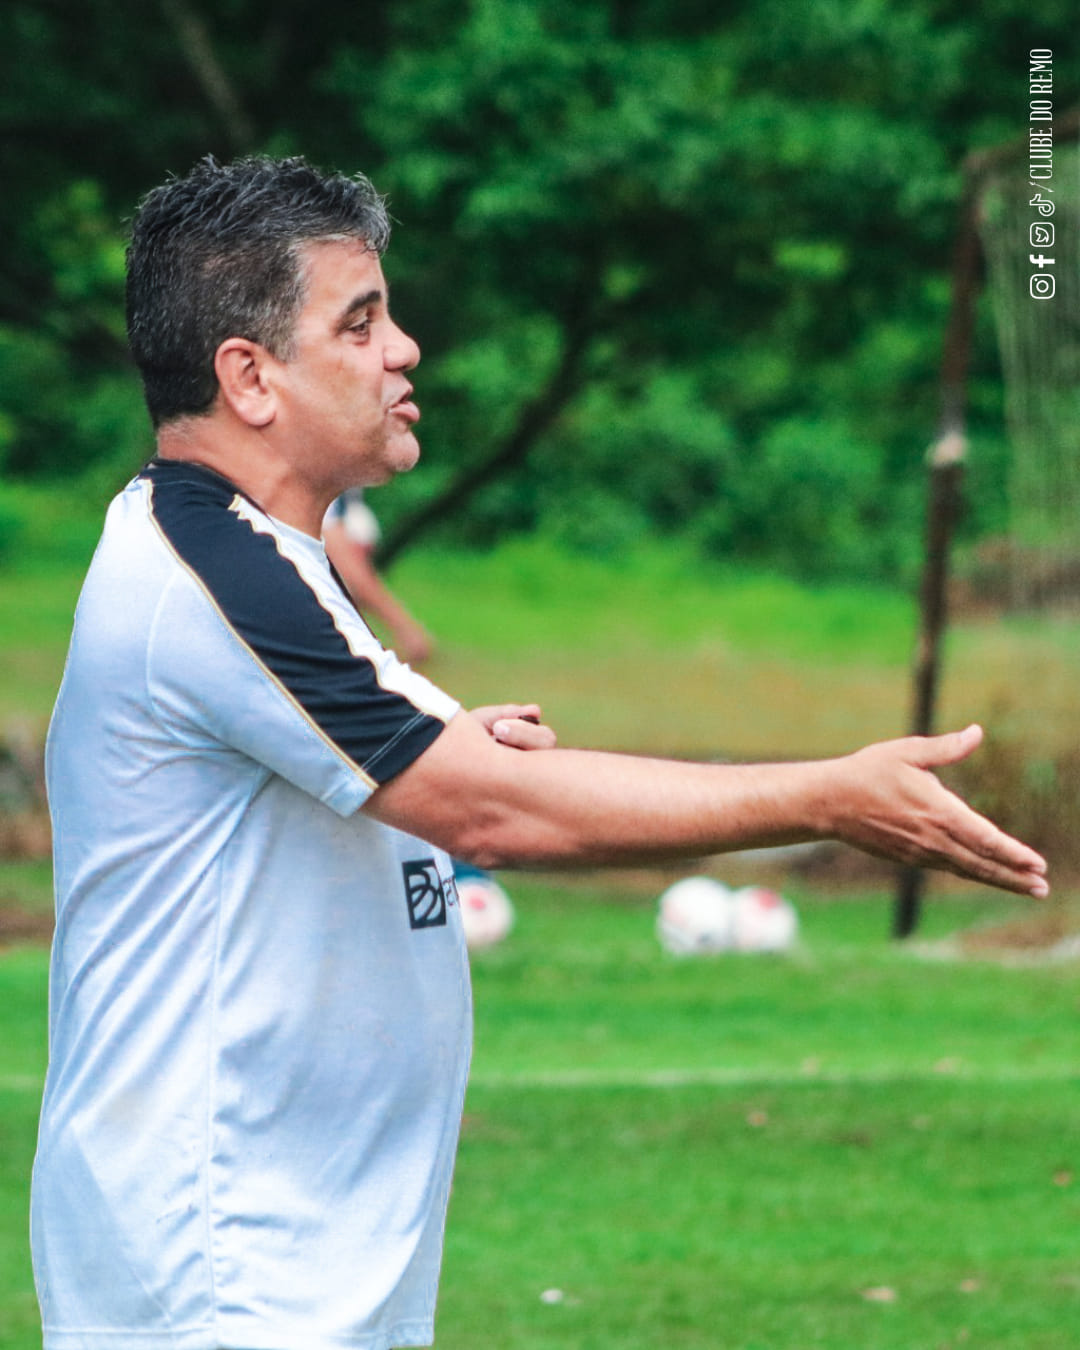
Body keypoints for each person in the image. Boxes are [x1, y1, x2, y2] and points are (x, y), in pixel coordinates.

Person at [31, 155, 1048, 1350]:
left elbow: (433, 788)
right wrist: (826, 796)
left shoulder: (266, 568)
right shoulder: (211, 572)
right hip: (222, 1284)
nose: (405, 350)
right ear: (249, 376)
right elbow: (495, 817)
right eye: (361, 323)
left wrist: (455, 761)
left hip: (291, 1273)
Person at [323, 487, 436, 665]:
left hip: (345, 524)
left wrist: (406, 629)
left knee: (349, 590)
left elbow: (357, 577)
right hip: (348, 521)